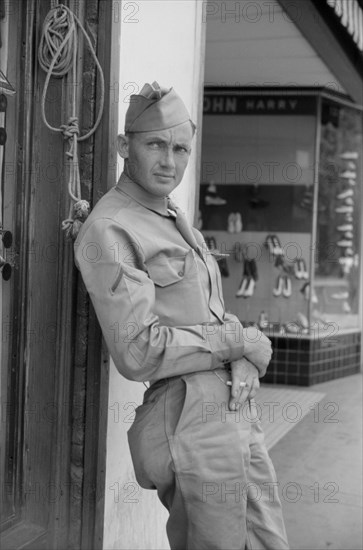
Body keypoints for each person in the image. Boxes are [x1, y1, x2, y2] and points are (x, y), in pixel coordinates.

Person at [74, 82, 289, 550]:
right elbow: (137, 350)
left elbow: (205, 312)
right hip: (189, 420)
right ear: (122, 146)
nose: (169, 161)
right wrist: (239, 342)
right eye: (155, 144)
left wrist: (243, 357)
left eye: (180, 149)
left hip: (232, 410)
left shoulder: (171, 216)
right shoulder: (112, 228)